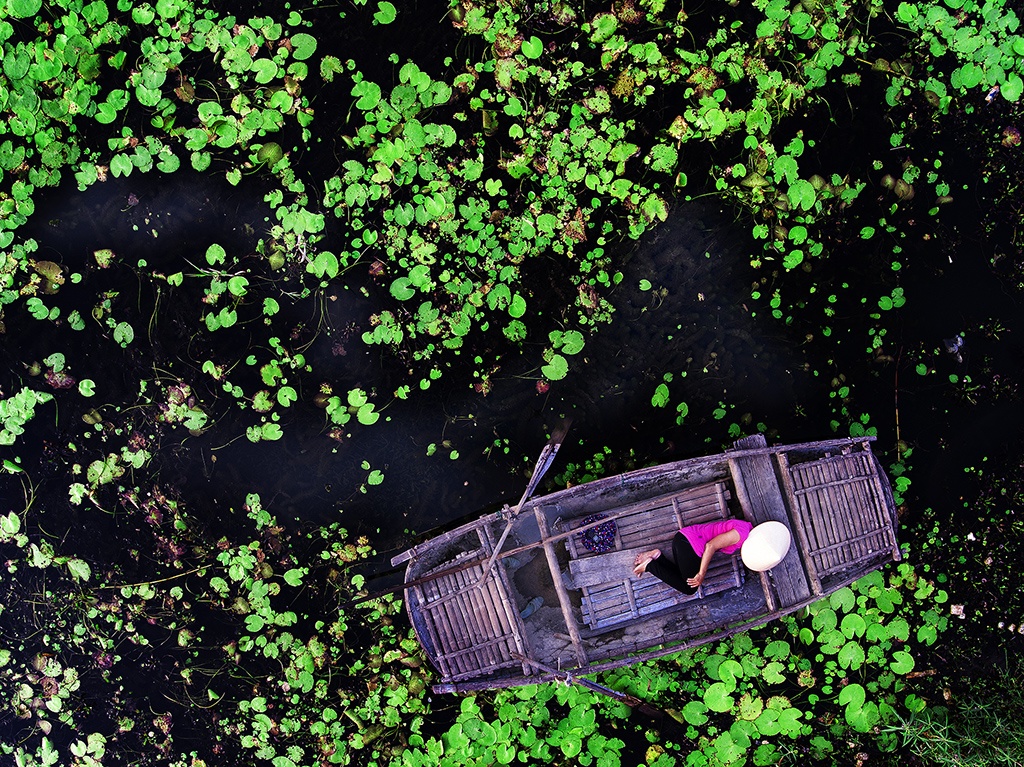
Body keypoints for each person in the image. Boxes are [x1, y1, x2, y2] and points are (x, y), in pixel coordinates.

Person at [632, 519, 753, 595]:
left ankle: (657, 557)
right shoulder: (741, 535)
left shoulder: (746, 527)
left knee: (683, 577)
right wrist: (701, 573)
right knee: (689, 588)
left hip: (683, 540)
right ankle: (650, 566)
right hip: (690, 544)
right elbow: (711, 546)